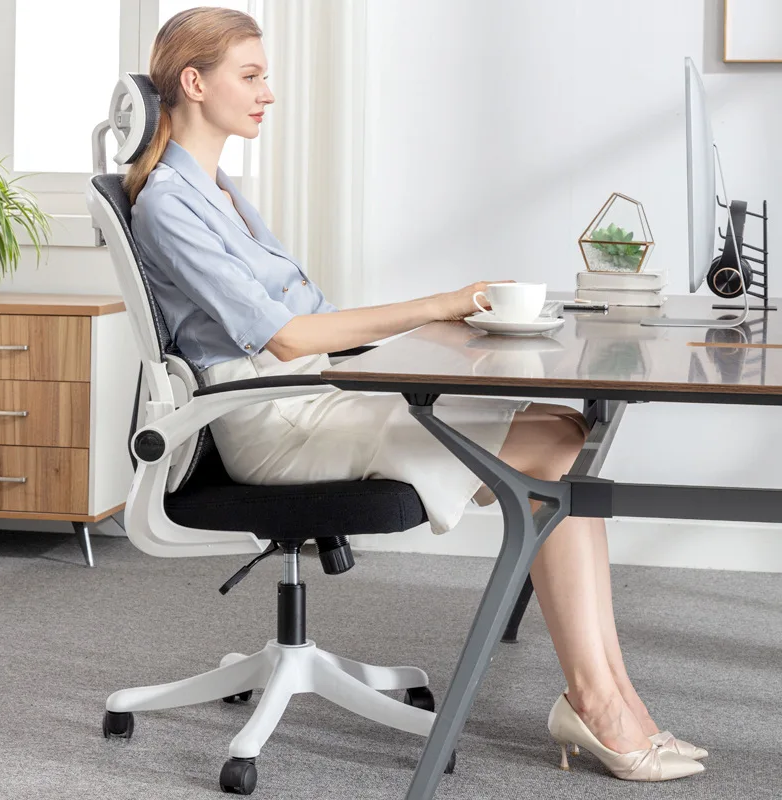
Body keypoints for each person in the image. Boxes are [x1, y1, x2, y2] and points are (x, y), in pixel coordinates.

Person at [127, 7, 706, 783]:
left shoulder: (221, 189)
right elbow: (290, 337)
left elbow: (311, 317)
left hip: (309, 394)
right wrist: (437, 305)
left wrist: (452, 322)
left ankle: (608, 696)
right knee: (550, 447)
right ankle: (601, 706)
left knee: (558, 428)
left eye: (267, 75)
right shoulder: (169, 202)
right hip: (271, 420)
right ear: (194, 83)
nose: (269, 92)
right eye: (251, 75)